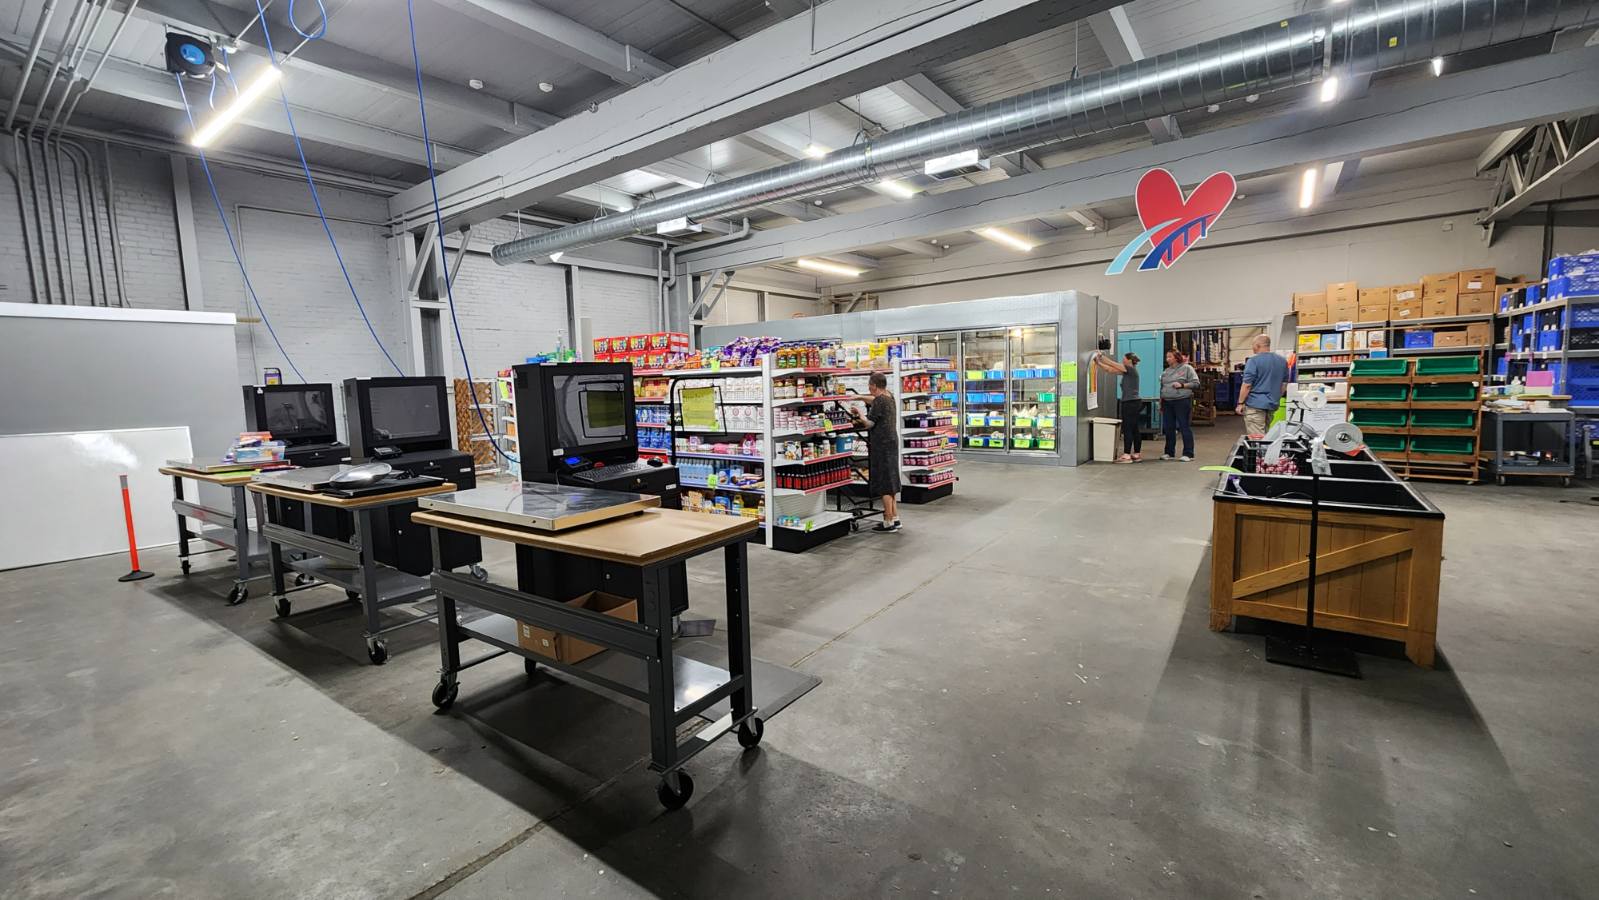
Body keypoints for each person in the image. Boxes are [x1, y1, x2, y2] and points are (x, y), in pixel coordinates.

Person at [848, 373, 902, 532]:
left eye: (869, 385)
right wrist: (859, 397)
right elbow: (874, 400)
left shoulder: (879, 401)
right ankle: (895, 518)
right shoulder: (889, 396)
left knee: (885, 483)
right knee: (891, 481)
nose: (868, 387)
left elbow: (869, 424)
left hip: (882, 444)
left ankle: (888, 522)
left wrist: (860, 414)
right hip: (892, 442)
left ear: (874, 385)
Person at [1092, 350, 1143, 462]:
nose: (1122, 360)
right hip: (1133, 402)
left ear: (1129, 360)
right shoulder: (1127, 371)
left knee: (1128, 427)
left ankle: (1126, 454)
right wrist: (1098, 363)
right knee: (1134, 428)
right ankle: (1136, 453)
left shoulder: (1130, 369)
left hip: (1130, 403)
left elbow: (1112, 364)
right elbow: (1110, 369)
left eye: (1124, 358)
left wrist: (1101, 356)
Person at [1236, 334, 1289, 437]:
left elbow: (1247, 385)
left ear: (1257, 345)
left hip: (1255, 405)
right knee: (1266, 435)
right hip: (1271, 404)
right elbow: (1284, 384)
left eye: (1253, 345)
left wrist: (1240, 403)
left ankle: (1260, 448)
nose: (1252, 348)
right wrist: (1276, 397)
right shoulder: (1282, 361)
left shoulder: (1253, 361)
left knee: (1257, 439)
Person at [1159, 350, 1200, 461]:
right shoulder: (1166, 371)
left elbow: (1196, 384)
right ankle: (1169, 452)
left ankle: (1188, 453)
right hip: (1167, 402)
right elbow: (1162, 387)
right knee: (1169, 428)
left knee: (1184, 426)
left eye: (1169, 357)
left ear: (1176, 358)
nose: (1167, 359)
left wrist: (1182, 385)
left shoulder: (1187, 369)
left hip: (1181, 401)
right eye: (1167, 357)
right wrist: (1161, 401)